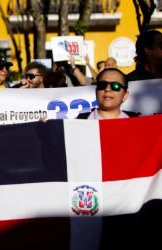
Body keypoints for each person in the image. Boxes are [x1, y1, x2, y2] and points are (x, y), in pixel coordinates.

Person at [74, 68, 138, 250]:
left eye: (116, 86)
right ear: (96, 91)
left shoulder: (139, 126)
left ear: (125, 95)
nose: (108, 89)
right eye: (102, 85)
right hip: (88, 207)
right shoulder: (76, 124)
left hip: (127, 211)